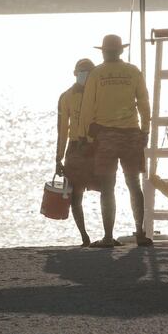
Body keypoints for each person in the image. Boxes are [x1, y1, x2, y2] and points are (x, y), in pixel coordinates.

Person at [77, 34, 153, 248]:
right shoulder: (133, 71)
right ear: (120, 51)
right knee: (133, 184)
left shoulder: (96, 74)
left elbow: (86, 108)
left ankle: (108, 237)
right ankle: (140, 232)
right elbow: (144, 103)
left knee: (108, 186)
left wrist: (84, 136)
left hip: (106, 136)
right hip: (131, 134)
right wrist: (145, 130)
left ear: (103, 52)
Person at [56, 58, 97, 247]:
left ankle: (107, 234)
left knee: (107, 190)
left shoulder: (100, 95)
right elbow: (62, 131)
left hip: (96, 148)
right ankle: (84, 237)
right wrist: (58, 158)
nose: (85, 75)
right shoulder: (66, 97)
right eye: (82, 72)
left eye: (88, 72)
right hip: (75, 149)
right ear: (75, 74)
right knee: (75, 197)